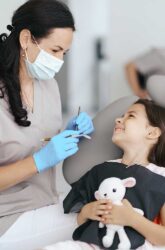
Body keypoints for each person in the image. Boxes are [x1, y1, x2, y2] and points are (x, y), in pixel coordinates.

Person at [0, 0, 94, 249]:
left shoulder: (48, 85)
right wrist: (39, 161)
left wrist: (69, 134)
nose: (60, 61)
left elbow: (37, 138)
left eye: (65, 53)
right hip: (7, 217)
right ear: (26, 39)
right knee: (99, 222)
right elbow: (37, 155)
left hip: (44, 202)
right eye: (55, 50)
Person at [48, 99, 165, 250]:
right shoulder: (101, 170)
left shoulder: (161, 177)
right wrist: (85, 212)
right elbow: (80, 220)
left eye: (130, 116)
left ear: (152, 132)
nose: (118, 119)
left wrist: (132, 219)